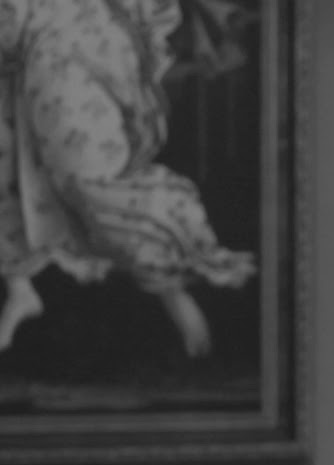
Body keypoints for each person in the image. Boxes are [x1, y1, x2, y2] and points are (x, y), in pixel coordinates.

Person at [0, 0, 256, 356]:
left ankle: (170, 288)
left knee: (88, 181)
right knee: (10, 159)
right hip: (40, 52)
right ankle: (19, 287)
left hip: (75, 50)